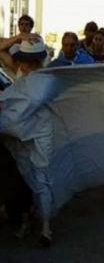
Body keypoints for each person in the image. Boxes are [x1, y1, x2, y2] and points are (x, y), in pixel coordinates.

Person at [0, 36, 46, 245]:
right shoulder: (17, 69)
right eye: (24, 59)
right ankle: (22, 215)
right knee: (16, 174)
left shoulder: (45, 78)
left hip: (34, 133)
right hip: (13, 132)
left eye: (30, 59)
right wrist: (19, 37)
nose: (25, 64)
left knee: (31, 175)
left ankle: (35, 220)